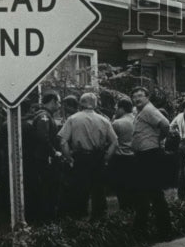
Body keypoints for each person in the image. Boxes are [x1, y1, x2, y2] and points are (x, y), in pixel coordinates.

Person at [58, 92, 118, 220]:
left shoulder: (73, 119)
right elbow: (114, 142)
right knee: (98, 189)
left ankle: (80, 217)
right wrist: (106, 158)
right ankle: (99, 217)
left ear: (81, 103)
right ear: (95, 104)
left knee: (80, 188)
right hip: (98, 157)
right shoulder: (104, 120)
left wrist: (69, 158)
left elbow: (63, 141)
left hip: (80, 157)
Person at [130, 87, 172, 239]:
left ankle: (163, 231)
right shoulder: (141, 111)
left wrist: (159, 139)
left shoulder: (148, 110)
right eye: (134, 97)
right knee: (145, 192)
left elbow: (165, 124)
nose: (137, 99)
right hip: (144, 155)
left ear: (147, 97)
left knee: (153, 192)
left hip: (150, 155)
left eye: (140, 96)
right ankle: (144, 229)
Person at [23, 92, 62, 224]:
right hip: (43, 160)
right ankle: (45, 218)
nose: (60, 105)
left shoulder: (44, 116)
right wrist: (53, 152)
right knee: (47, 188)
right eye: (58, 102)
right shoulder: (44, 117)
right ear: (52, 101)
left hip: (43, 158)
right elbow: (43, 137)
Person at [108, 98, 136, 211]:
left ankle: (124, 209)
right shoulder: (137, 120)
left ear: (121, 108)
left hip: (121, 157)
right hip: (135, 156)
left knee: (121, 186)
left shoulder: (117, 123)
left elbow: (109, 140)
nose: (115, 110)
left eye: (116, 108)